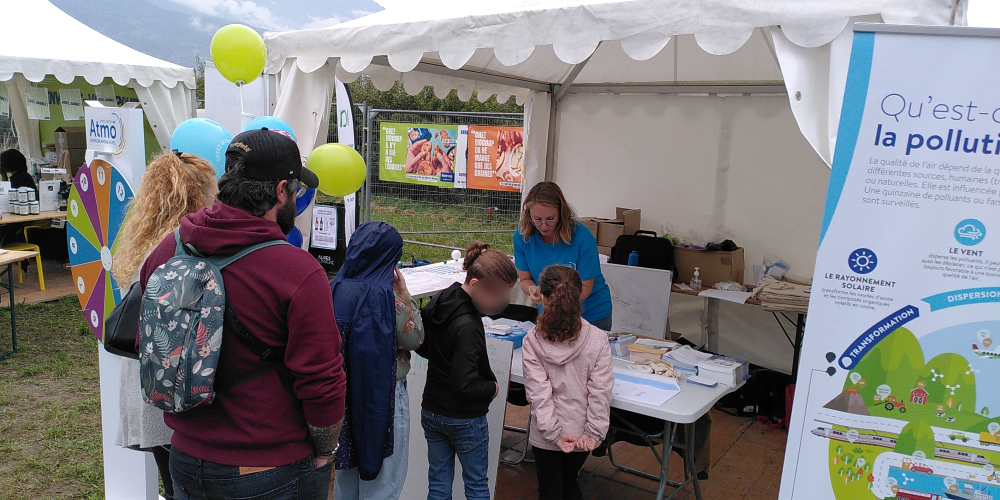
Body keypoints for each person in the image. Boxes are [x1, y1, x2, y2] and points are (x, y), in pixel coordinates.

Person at [138, 129, 347, 500]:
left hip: (185, 457)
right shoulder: (297, 271)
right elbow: (322, 380)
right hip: (268, 467)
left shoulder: (171, 247)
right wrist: (324, 450)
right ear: (282, 190)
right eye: (296, 191)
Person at [111, 152, 218, 500]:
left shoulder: (142, 244)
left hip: (147, 378)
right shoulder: (182, 247)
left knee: (172, 483)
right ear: (197, 194)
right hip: (173, 386)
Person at [416, 241, 517, 500]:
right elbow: (465, 384)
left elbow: (424, 347)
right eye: (499, 296)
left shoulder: (443, 298)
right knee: (476, 485)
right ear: (475, 285)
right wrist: (492, 388)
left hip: (432, 409)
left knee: (438, 484)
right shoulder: (469, 326)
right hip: (463, 418)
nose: (502, 303)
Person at [332, 221, 425, 500]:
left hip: (342, 394)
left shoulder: (333, 287)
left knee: (346, 475)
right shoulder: (388, 298)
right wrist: (405, 293)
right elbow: (415, 338)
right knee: (384, 481)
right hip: (383, 396)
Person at [521, 265, 613, 500]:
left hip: (546, 433)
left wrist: (553, 433)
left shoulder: (532, 340)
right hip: (581, 433)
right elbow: (601, 392)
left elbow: (538, 394)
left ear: (541, 297)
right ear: (580, 295)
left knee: (550, 489)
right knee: (570, 482)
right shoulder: (598, 339)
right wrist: (594, 432)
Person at [514, 182, 613, 331]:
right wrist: (533, 289)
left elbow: (586, 287)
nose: (544, 226)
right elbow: (525, 280)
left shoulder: (583, 238)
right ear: (528, 215)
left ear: (561, 212)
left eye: (550, 218)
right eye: (537, 219)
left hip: (590, 315)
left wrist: (556, 299)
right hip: (550, 314)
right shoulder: (523, 237)